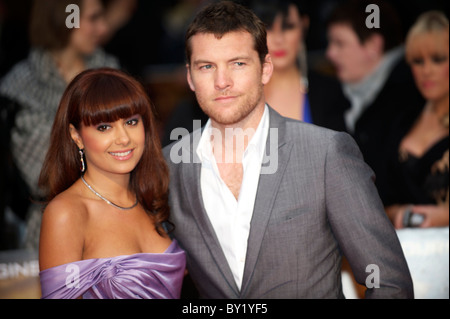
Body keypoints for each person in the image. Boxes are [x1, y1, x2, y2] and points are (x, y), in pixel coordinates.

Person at [163, 1, 413, 298]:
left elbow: (388, 282)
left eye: (238, 64)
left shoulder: (325, 153)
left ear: (265, 69)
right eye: (207, 67)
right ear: (190, 77)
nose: (222, 82)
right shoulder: (169, 167)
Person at [38, 68, 186, 299]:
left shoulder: (151, 197)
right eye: (104, 127)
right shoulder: (66, 213)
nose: (123, 138)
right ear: (76, 136)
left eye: (131, 122)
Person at [0, 0, 119, 250]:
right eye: (93, 18)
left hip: (118, 217)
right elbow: (47, 176)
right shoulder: (21, 88)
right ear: (65, 19)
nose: (103, 27)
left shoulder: (109, 69)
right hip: (56, 230)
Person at [325, 0, 424, 201]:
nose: (330, 53)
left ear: (372, 45)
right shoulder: (347, 95)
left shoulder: (411, 94)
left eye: (339, 43)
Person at [384, 11, 449, 229]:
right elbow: (378, 200)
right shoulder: (401, 121)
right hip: (405, 254)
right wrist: (398, 214)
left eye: (438, 59)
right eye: (418, 61)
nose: (426, 70)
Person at [248, 0, 346, 126]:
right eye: (268, 27)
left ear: (304, 25)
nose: (279, 39)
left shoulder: (330, 92)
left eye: (288, 26)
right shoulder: (241, 91)